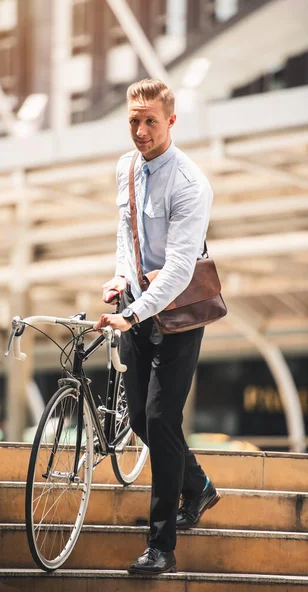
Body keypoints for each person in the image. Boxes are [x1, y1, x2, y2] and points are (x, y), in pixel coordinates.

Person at [94, 79, 220, 575]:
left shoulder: (191, 184)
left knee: (163, 419)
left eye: (150, 121)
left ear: (170, 121)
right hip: (136, 303)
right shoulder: (126, 168)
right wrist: (121, 277)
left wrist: (133, 310)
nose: (140, 130)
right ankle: (201, 487)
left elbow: (179, 268)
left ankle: (161, 545)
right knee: (143, 421)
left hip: (178, 312)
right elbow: (126, 236)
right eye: (133, 121)